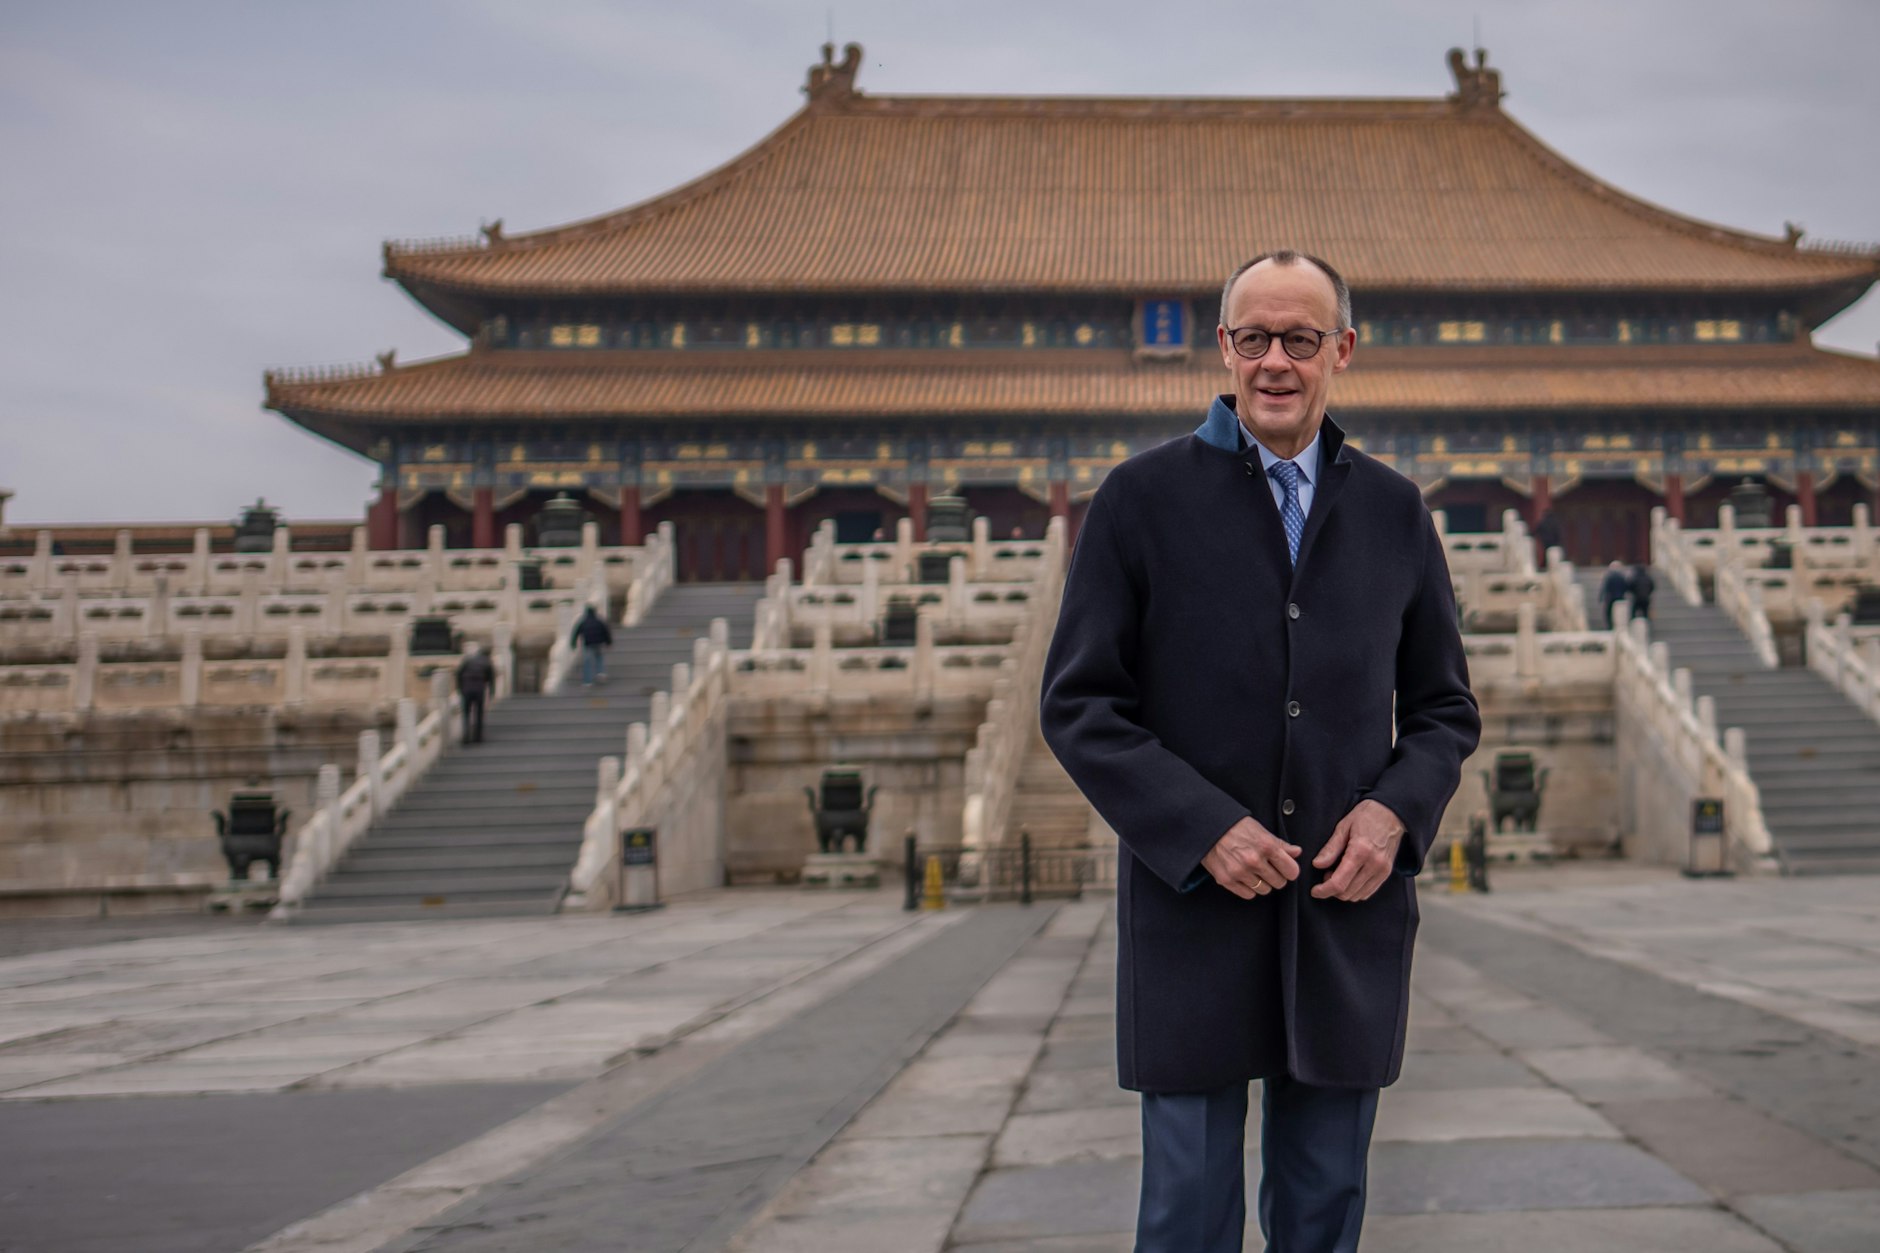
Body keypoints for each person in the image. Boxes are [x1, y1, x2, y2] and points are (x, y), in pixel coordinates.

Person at [1040, 250, 1481, 1253]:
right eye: (1253, 338)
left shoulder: (1391, 510)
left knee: (1324, 1201)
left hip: (1342, 904)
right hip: (1194, 904)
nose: (1274, 361)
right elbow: (1078, 703)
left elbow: (1443, 706)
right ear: (1222, 349)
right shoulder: (1140, 500)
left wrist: (1393, 812)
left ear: (1342, 350)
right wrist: (1199, 827)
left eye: (1299, 338)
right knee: (1187, 1206)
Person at [455, 641, 494, 744]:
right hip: (479, 690)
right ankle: (478, 737)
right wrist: (491, 694)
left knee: (466, 714)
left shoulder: (467, 661)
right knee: (479, 714)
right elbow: (490, 680)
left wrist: (460, 690)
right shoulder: (486, 662)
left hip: (467, 690)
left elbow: (458, 675)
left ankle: (466, 736)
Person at [571, 604, 613, 686]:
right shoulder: (599, 621)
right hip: (598, 642)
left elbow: (576, 633)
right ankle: (600, 672)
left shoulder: (583, 621)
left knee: (587, 662)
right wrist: (608, 642)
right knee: (599, 658)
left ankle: (587, 681)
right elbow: (606, 632)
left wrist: (573, 644)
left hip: (588, 643)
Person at [1599, 560, 1630, 628]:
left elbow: (1605, 587)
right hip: (1620, 597)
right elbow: (1626, 587)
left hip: (1610, 598)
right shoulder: (1622, 577)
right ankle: (1619, 627)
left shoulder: (1609, 576)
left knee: (1608, 613)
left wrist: (1601, 597)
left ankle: (1610, 626)